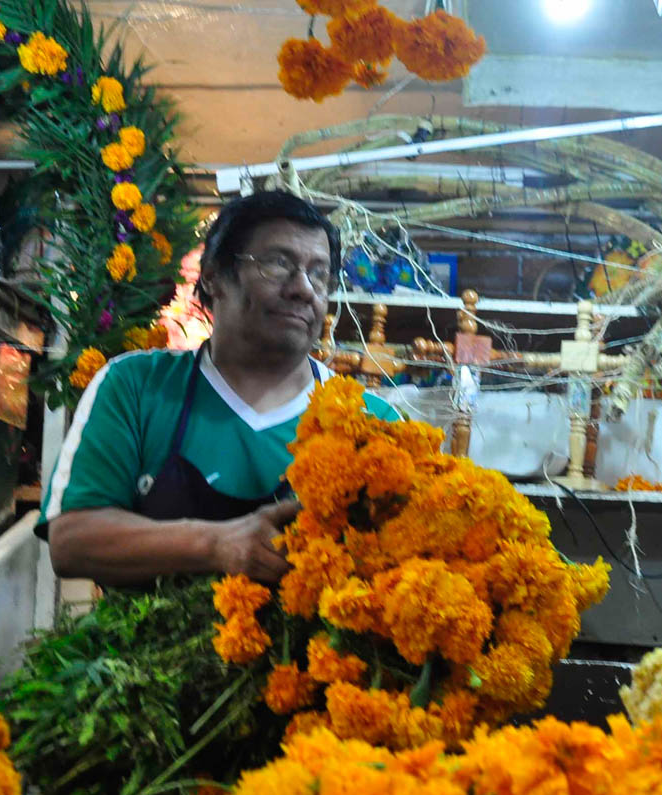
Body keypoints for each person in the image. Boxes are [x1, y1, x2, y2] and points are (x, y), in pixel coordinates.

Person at [38, 191, 400, 587]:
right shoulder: (136, 387)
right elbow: (70, 541)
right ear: (213, 275)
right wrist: (216, 545)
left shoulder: (371, 421)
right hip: (145, 648)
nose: (304, 289)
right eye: (279, 264)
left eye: (318, 273)